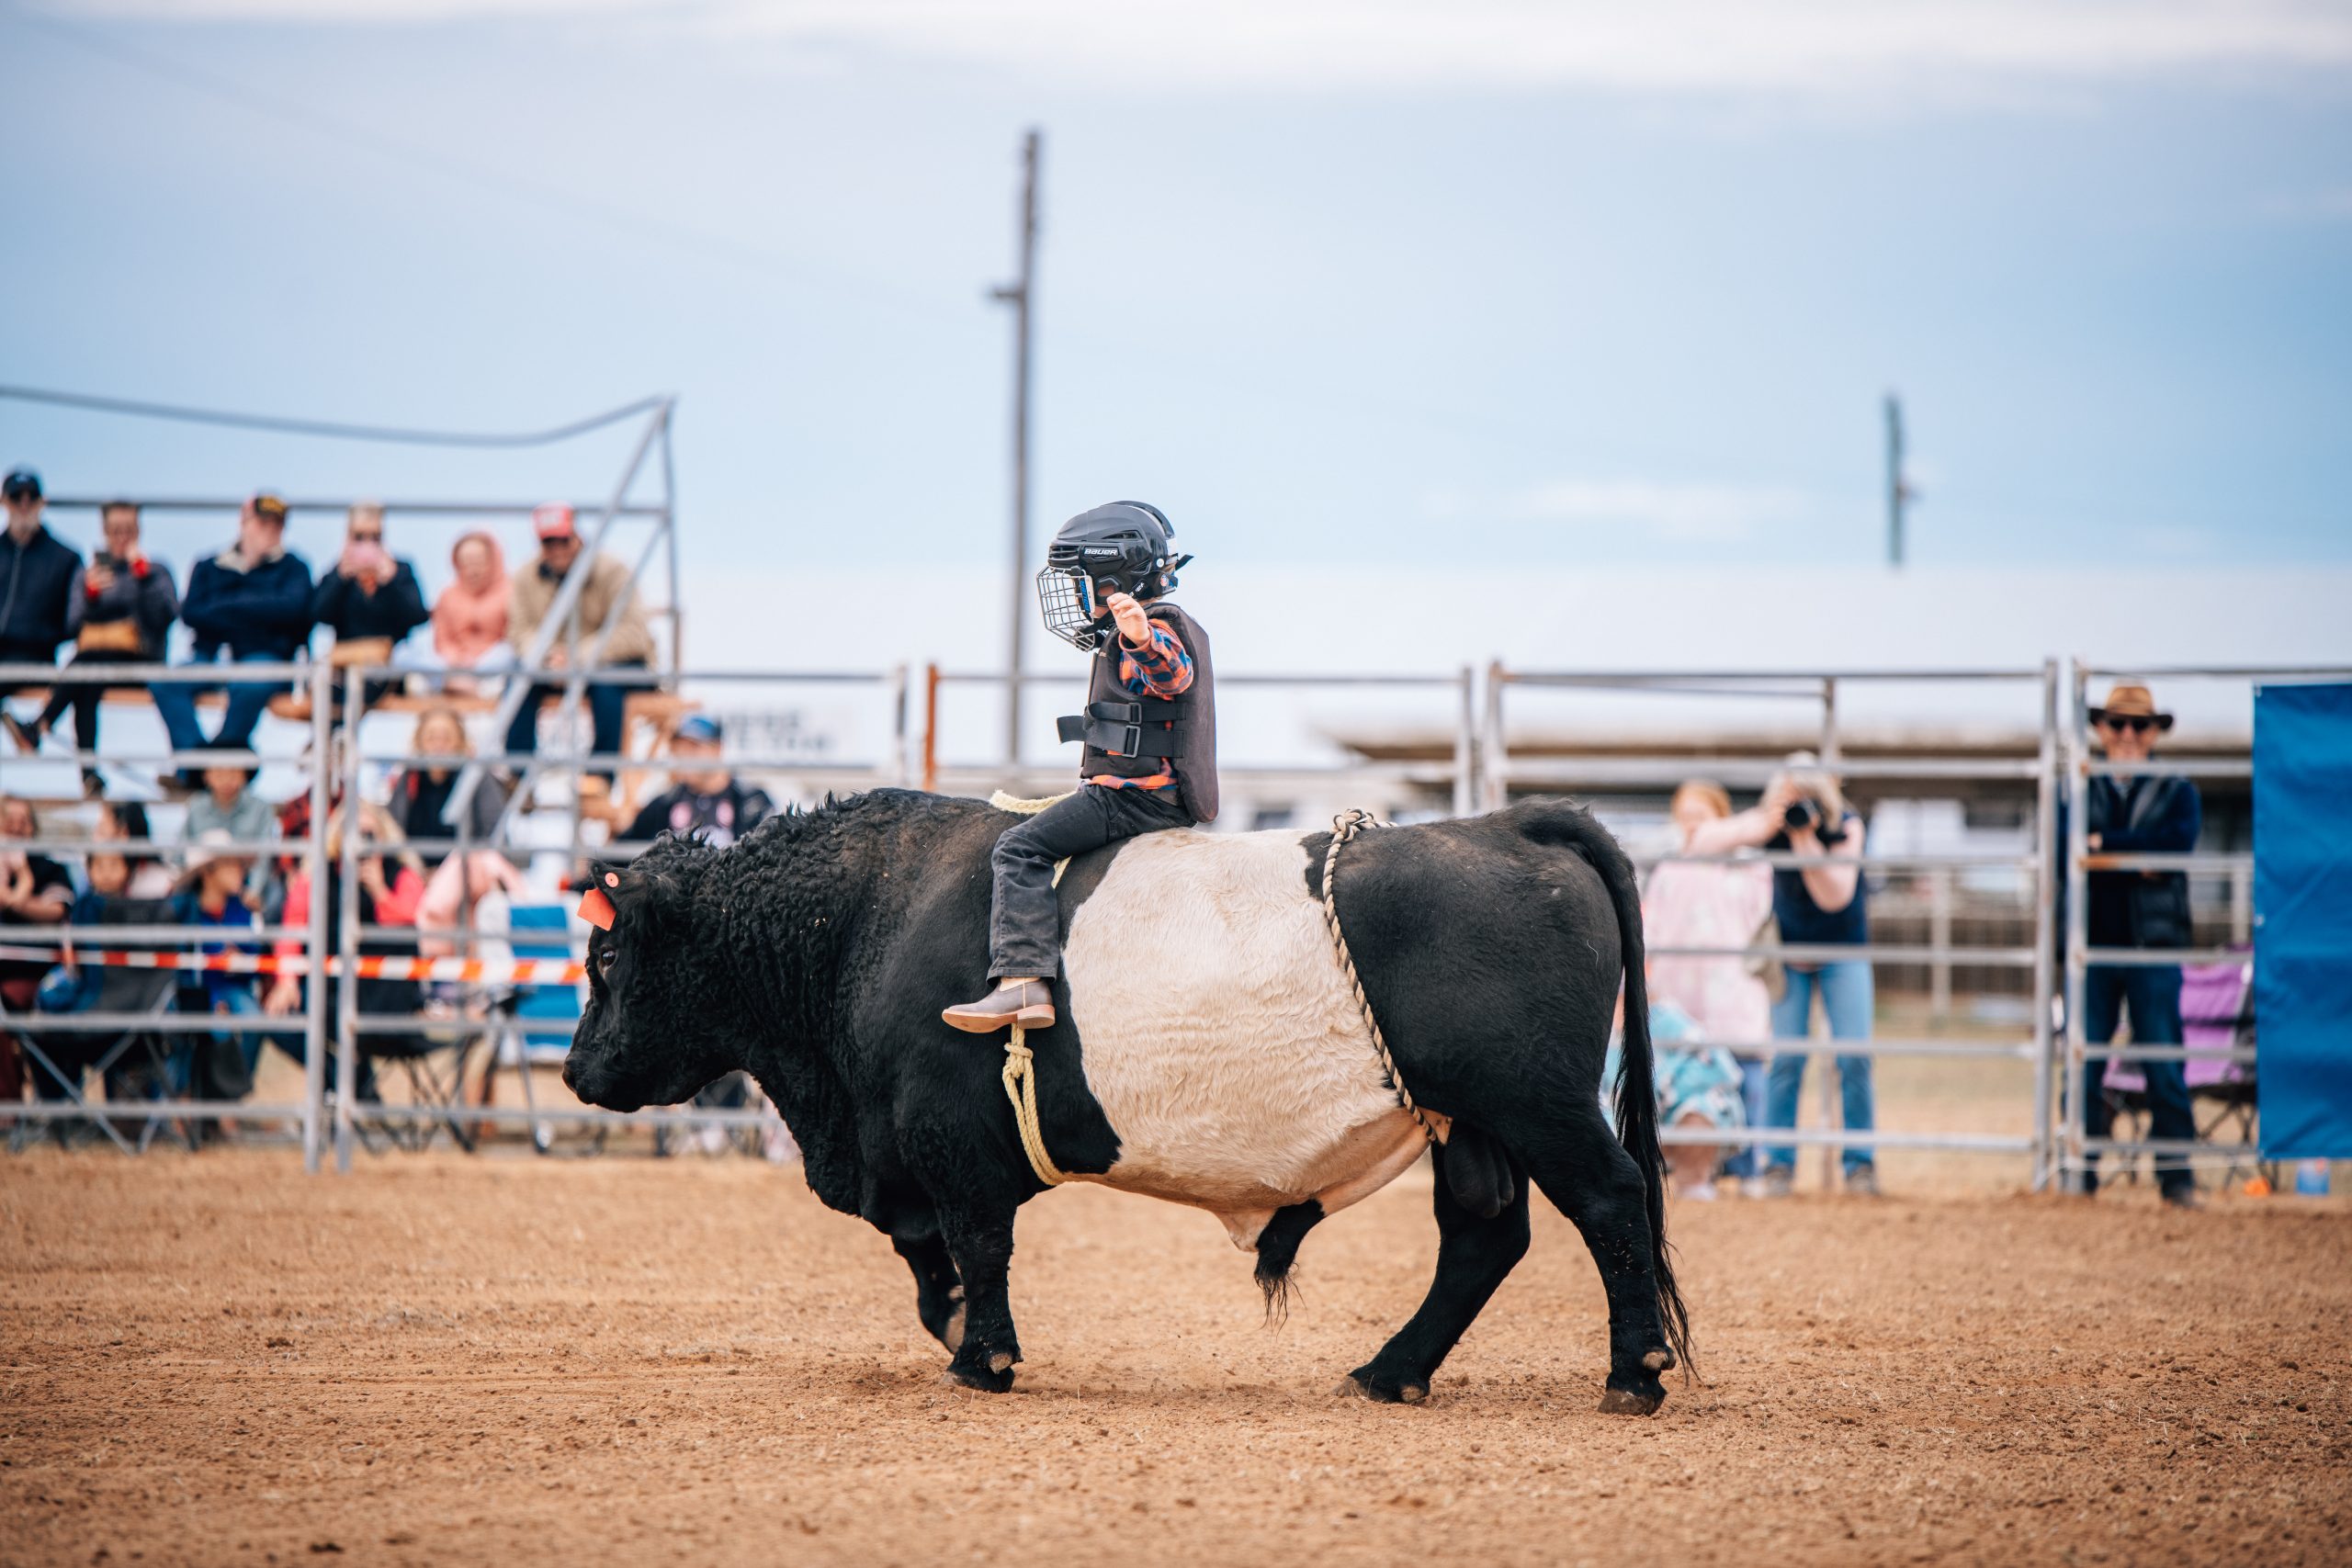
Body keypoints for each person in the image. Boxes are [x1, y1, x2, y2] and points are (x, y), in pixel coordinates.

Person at [944, 502, 1213, 1033]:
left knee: (1017, 848)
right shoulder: (1152, 627)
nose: (1072, 597)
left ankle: (1023, 982)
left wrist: (1140, 638)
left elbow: (1172, 677)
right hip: (1153, 799)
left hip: (1130, 801)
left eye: (1080, 583)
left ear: (1112, 581)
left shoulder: (1153, 631)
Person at [1701, 758, 1878, 1197]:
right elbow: (1701, 845)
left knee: (1854, 1056)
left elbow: (1835, 896)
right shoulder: (1769, 825)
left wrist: (1804, 840)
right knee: (1786, 1060)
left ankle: (1860, 1166)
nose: (1799, 808)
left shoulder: (1846, 825)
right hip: (1789, 955)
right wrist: (1762, 824)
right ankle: (1777, 1166)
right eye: (1790, 798)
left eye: (1807, 798)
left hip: (1844, 953)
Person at [2074, 682, 2204, 1208]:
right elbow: (2067, 845)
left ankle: (2176, 1178)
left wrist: (2103, 848)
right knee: (2086, 1061)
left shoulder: (2178, 788)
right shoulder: (2080, 787)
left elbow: (2175, 850)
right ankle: (2077, 1173)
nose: (2127, 735)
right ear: (2102, 730)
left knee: (2163, 1062)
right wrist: (2136, 859)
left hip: (2154, 947)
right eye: (2117, 724)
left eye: (2139, 726)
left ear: (2154, 733)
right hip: (2094, 950)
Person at [1643, 779, 1774, 1185]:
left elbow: (1759, 916)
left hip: (1731, 986)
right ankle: (1697, 1167)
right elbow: (1654, 924)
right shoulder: (1669, 868)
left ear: (1722, 817)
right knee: (1685, 1079)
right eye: (1684, 818)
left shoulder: (1748, 865)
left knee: (1746, 1073)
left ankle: (1748, 1166)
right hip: (1682, 992)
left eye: (1700, 817)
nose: (1691, 827)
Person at [5, 502, 179, 797]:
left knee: (86, 664)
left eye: (128, 530)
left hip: (142, 660)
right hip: (95, 664)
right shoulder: (89, 573)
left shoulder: (156, 570)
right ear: (104, 532)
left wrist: (142, 578)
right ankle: (89, 775)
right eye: (115, 530)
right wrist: (90, 596)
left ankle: (39, 725)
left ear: (138, 531)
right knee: (86, 682)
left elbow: (165, 616)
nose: (121, 537)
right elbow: (72, 624)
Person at [266, 802, 430, 1098]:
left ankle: (352, 1086)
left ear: (384, 836)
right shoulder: (316, 876)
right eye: (354, 832)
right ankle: (349, 1083)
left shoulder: (402, 874)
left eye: (369, 833)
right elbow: (293, 927)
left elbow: (414, 920)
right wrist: (287, 979)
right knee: (280, 1021)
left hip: (388, 1001)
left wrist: (380, 891)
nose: (362, 841)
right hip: (329, 996)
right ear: (337, 837)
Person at [153, 493, 314, 779]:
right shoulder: (209, 565)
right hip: (209, 659)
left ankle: (214, 764)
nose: (271, 531)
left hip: (264, 661)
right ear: (244, 521)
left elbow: (293, 611)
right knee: (164, 682)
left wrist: (226, 609)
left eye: (278, 525)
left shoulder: (294, 568)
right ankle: (198, 765)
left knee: (251, 681)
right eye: (263, 523)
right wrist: (259, 609)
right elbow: (191, 612)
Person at [504, 502, 652, 791]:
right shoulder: (525, 577)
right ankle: (518, 778)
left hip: (612, 663)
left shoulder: (614, 570)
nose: (558, 548)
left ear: (578, 537)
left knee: (607, 683)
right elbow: (519, 631)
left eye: (564, 540)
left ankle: (599, 778)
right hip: (553, 665)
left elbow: (634, 633)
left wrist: (577, 656)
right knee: (517, 679)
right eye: (549, 542)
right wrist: (549, 657)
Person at [0, 795, 78, 1101]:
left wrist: (23, 878)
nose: (17, 827)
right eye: (9, 820)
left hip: (36, 977)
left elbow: (55, 912)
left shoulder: (50, 869)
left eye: (25, 821)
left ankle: (8, 1107)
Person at [310, 502, 428, 703]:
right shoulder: (337, 575)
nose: (367, 543)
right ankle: (335, 732)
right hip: (345, 666)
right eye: (359, 537)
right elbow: (319, 615)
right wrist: (340, 578)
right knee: (329, 691)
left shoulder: (400, 571)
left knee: (363, 685)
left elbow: (417, 616)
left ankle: (338, 732)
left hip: (389, 668)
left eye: (375, 537)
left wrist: (392, 581)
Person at [0, 467, 84, 723]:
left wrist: (40, 636)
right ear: (4, 501)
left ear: (41, 502)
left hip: (37, 656)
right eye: (17, 497)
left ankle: (31, 731)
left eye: (31, 497)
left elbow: (74, 621)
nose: (24, 504)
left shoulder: (65, 558)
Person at [616, 715, 773, 849]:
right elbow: (620, 855)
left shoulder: (753, 802)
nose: (684, 757)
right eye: (679, 749)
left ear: (717, 749)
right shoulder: (663, 803)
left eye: (693, 748)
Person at [390, 705, 510, 870]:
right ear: (419, 742)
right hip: (416, 872)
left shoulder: (477, 777)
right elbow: (393, 832)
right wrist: (416, 870)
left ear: (460, 742)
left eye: (447, 738)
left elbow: (495, 831)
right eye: (431, 738)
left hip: (465, 871)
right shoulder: (409, 777)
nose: (439, 745)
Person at [181, 750, 276, 901]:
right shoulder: (196, 806)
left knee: (274, 898)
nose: (226, 780)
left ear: (244, 775)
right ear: (206, 775)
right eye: (219, 773)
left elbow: (264, 855)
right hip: (204, 881)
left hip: (248, 882)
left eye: (233, 772)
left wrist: (254, 890)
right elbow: (181, 848)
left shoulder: (260, 808)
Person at [426, 530, 513, 693]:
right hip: (453, 665)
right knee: (407, 655)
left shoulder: (510, 591)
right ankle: (457, 685)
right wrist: (456, 659)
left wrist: (477, 662)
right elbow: (441, 639)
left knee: (508, 654)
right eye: (466, 563)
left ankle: (478, 687)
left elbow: (513, 638)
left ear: (492, 561)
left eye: (478, 562)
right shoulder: (447, 595)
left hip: (492, 664)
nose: (473, 570)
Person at [94, 799, 177, 899]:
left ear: (124, 833)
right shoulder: (100, 881)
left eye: (101, 830)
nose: (95, 838)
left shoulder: (155, 881)